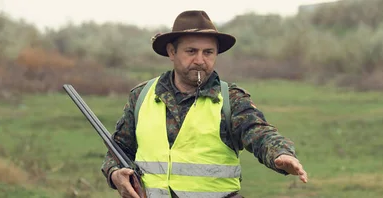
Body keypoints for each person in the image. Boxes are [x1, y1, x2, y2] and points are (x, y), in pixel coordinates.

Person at [100, 10, 308, 198]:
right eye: (191, 51)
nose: (200, 60)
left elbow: (259, 132)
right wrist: (115, 173)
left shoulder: (231, 99)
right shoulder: (141, 96)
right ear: (172, 52)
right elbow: (118, 150)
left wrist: (281, 154)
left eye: (208, 52)